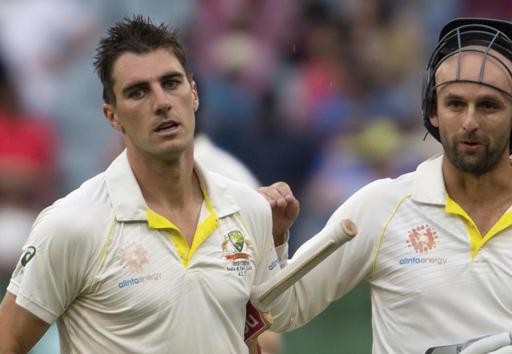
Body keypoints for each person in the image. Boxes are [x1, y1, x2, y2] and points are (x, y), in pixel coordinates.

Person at [259, 18, 512, 353]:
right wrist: (274, 237)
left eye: (489, 106)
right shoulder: (381, 206)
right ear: (433, 111)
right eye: (455, 104)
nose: (469, 122)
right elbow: (284, 311)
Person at [0, 16, 295, 353]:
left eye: (171, 83)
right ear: (112, 116)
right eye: (138, 92)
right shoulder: (72, 224)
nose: (161, 102)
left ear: (194, 94)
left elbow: (258, 340)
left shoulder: (248, 208)